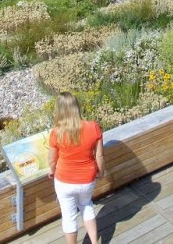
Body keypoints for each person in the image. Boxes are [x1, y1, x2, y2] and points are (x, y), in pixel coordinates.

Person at [48, 92, 105, 244]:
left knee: (69, 216)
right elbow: (99, 156)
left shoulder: (56, 132)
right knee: (86, 205)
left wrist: (52, 171)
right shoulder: (93, 127)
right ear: (77, 107)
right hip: (87, 178)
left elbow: (52, 160)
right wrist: (101, 171)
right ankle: (94, 241)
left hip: (64, 180)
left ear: (59, 110)